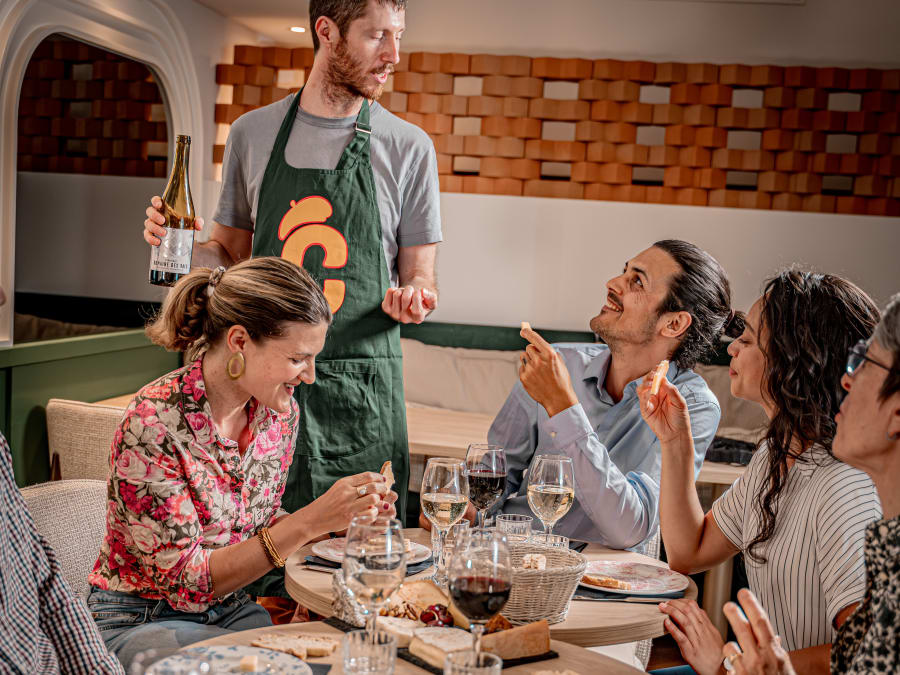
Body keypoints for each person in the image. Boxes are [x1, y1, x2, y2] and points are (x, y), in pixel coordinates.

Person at [143, 0, 442, 575]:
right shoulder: (253, 134)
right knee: (258, 559)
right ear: (326, 33)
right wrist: (172, 243)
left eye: (398, 36)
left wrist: (417, 296)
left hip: (362, 392)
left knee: (362, 566)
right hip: (258, 384)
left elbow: (421, 275)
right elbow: (225, 255)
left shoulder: (409, 147)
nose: (393, 55)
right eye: (377, 36)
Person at [86, 258, 398, 670]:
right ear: (239, 341)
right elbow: (188, 584)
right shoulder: (153, 423)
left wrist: (339, 524)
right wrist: (307, 521)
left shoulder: (278, 415)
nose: (310, 376)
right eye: (297, 358)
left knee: (350, 661)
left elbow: (257, 524)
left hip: (233, 612)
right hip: (140, 620)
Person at [639, 270, 882, 675]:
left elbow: (865, 654)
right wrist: (675, 441)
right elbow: (689, 550)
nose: (733, 347)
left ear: (795, 361)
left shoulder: (845, 485)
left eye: (749, 339)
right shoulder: (777, 453)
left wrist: (729, 666)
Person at [481, 240, 738, 550]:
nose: (613, 284)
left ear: (673, 323)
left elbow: (630, 529)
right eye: (623, 272)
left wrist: (563, 407)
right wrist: (469, 507)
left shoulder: (690, 407)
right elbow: (495, 472)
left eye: (637, 281)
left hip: (608, 582)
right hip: (515, 554)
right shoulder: (558, 363)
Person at [717, 292, 900, 675]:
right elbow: (860, 663)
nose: (846, 381)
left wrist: (736, 670)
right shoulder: (887, 544)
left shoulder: (845, 491)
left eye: (864, 365)